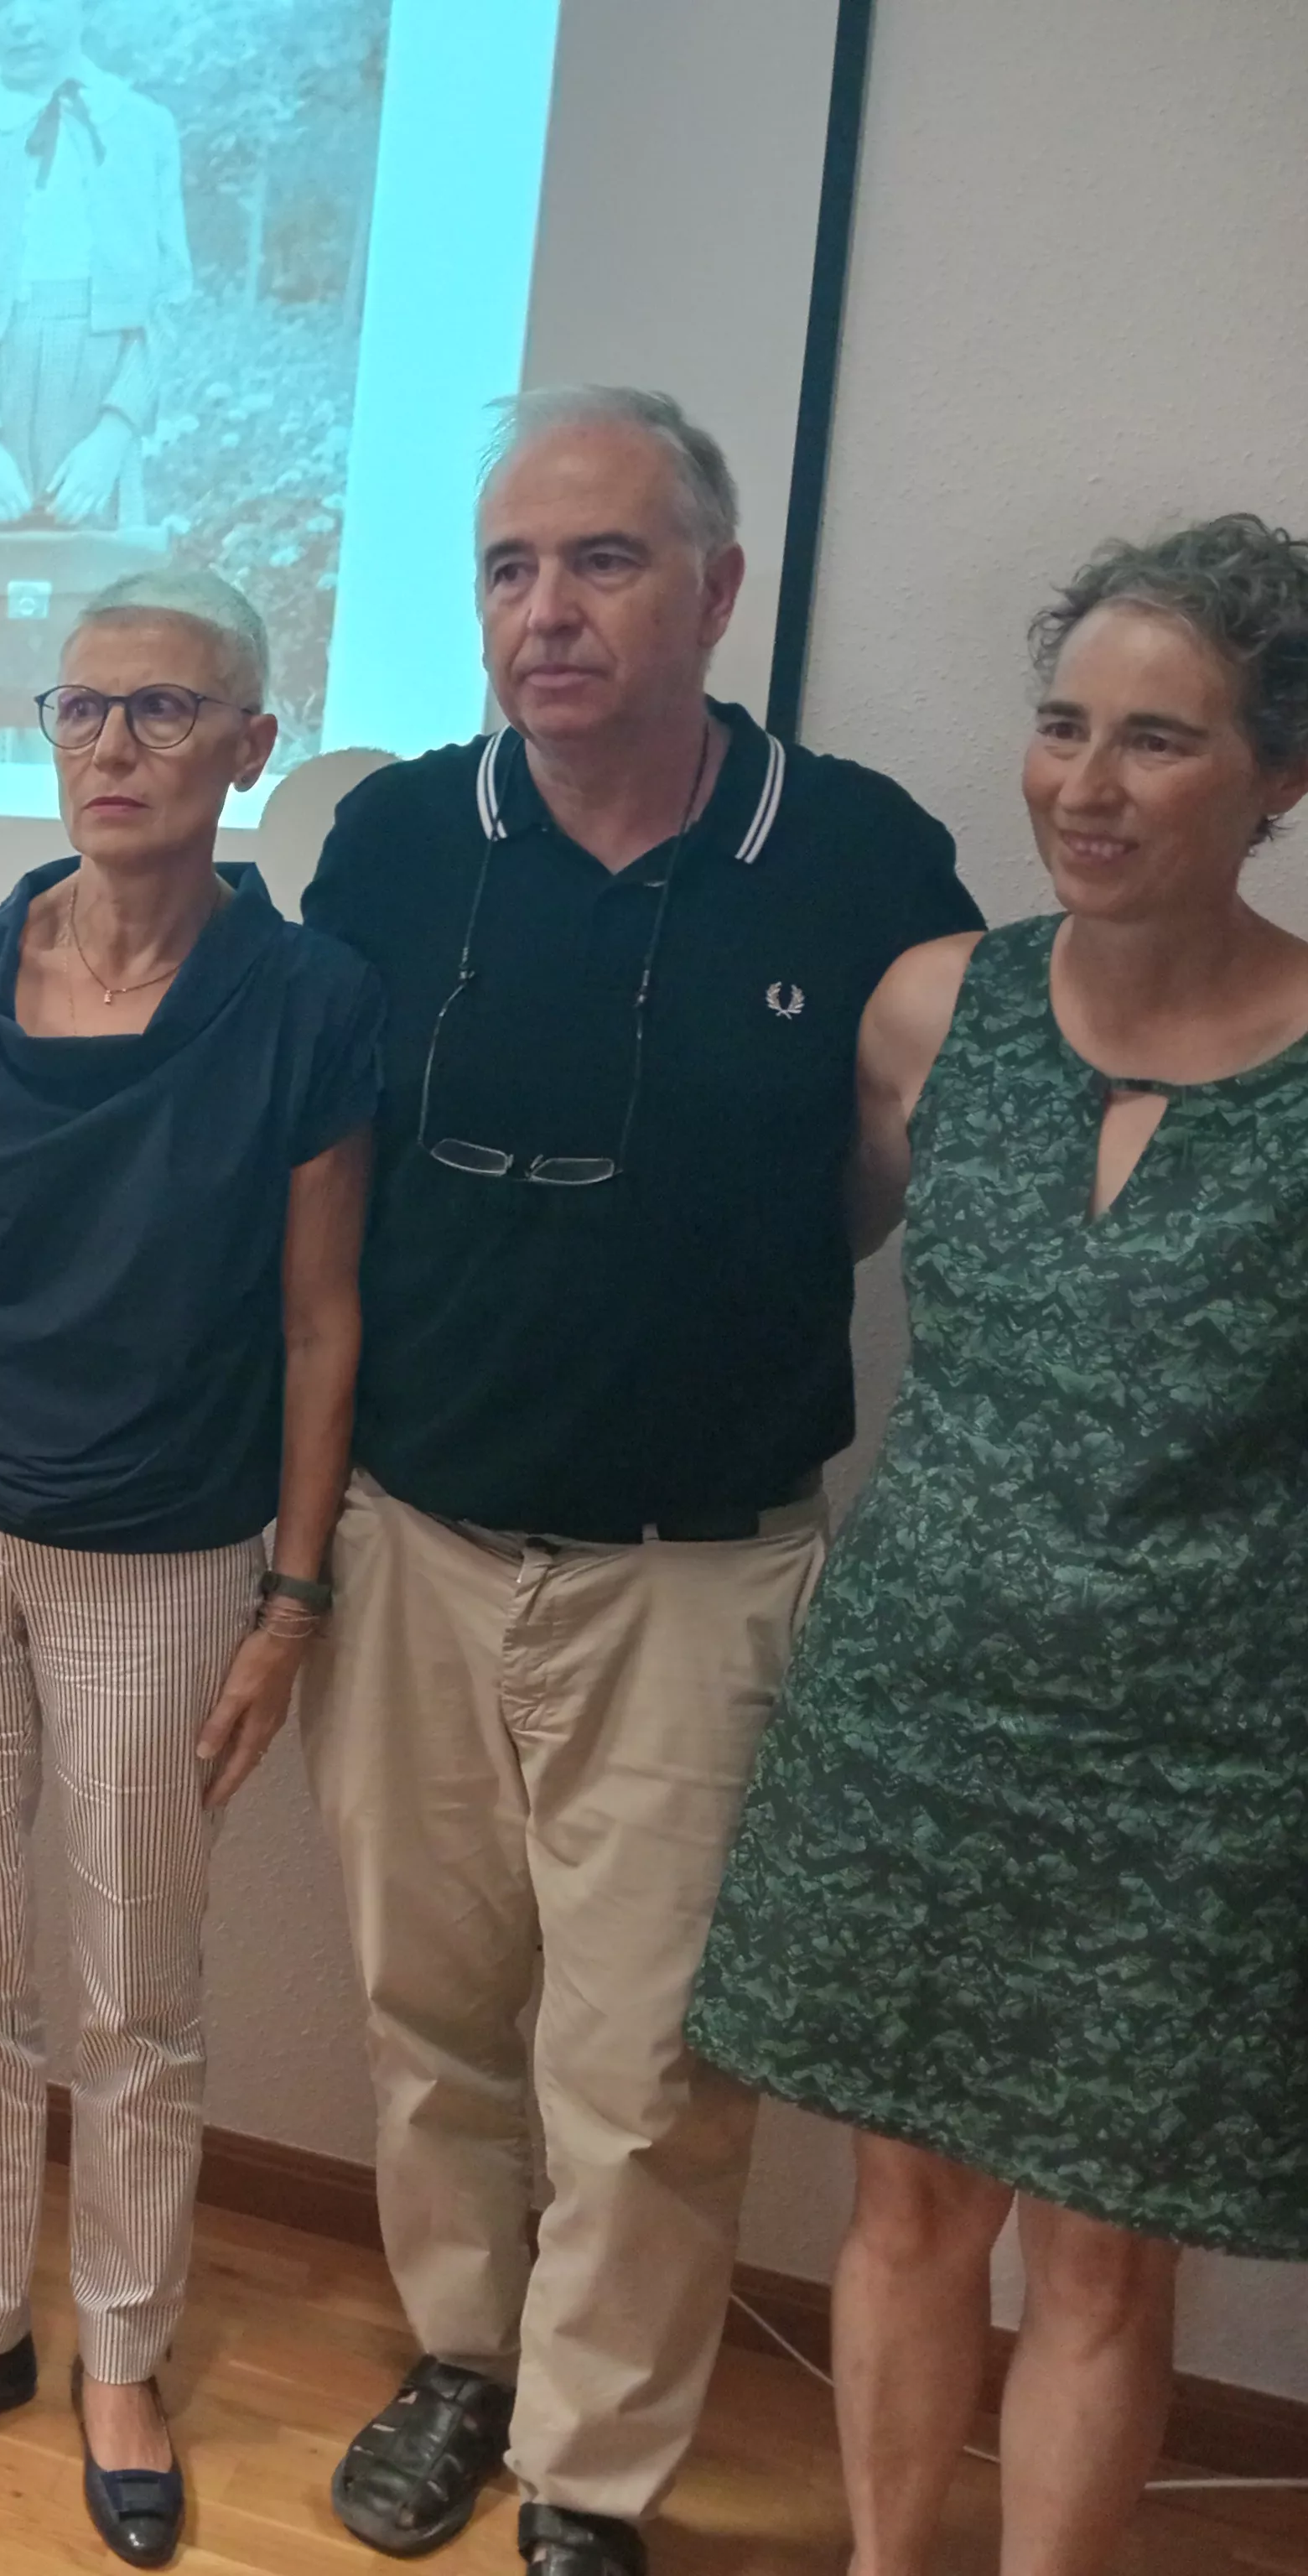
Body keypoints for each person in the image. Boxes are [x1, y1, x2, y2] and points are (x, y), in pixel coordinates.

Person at [293, 387, 981, 2576]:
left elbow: (879, 1175)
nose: (549, 611)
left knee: (654, 2068)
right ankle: (462, 2359)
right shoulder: (399, 838)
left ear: (718, 586)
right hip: (416, 1534)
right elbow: (330, 1187)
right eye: (509, 569)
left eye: (602, 561)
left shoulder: (860, 852)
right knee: (428, 2017)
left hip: (700, 1572)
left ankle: (590, 2470)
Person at [689, 517, 1308, 2576]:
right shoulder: (927, 1009)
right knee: (906, 2206)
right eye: (1061, 726)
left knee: (1102, 2257)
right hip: (916, 1705)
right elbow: (821, 1254)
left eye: (1157, 738)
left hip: (1202, 1760)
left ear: (1279, 775)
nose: (1084, 785)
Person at [0, 572, 376, 2568]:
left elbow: (321, 1319)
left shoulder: (303, 999)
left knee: (135, 1992)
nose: (116, 745)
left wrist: (293, 1595)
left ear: (251, 743)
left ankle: (122, 2353)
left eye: (166, 709)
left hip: (165, 1559)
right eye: (83, 707)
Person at [0, 0, 191, 545]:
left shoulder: (144, 129)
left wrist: (114, 435)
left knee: (100, 581)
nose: (21, 19)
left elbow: (169, 297)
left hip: (97, 411)